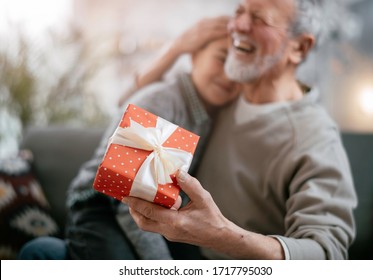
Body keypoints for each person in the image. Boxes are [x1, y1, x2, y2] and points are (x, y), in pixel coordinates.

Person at [123, 0, 358, 260]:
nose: (238, 25)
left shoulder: (316, 138)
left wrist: (221, 236)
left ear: (299, 48)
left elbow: (329, 255)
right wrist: (175, 49)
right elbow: (126, 111)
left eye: (260, 18)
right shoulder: (223, 93)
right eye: (239, 11)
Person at [18, 16, 241, 260]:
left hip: (152, 211)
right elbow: (125, 197)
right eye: (221, 58)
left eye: (238, 67)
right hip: (102, 204)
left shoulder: (214, 113)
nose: (229, 75)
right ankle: (44, 254)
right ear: (195, 56)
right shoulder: (161, 101)